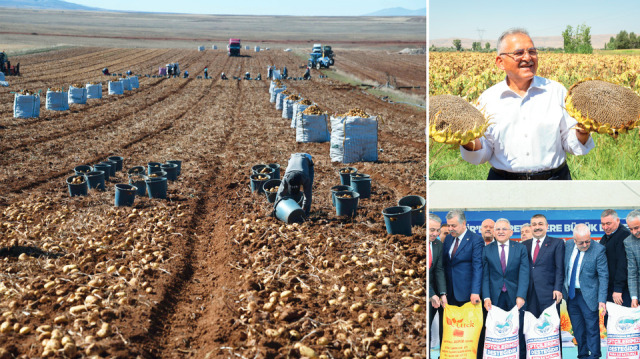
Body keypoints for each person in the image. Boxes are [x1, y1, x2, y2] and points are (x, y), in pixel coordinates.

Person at [460, 28, 594, 180]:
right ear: (500, 62)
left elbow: (571, 142)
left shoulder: (556, 91)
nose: (528, 57)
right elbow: (483, 153)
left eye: (532, 51)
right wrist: (464, 137)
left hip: (555, 181)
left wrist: (583, 130)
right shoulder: (488, 99)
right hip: (503, 183)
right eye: (519, 53)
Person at [521, 214, 564, 358]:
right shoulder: (524, 245)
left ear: (547, 226)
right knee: (530, 329)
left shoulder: (557, 243)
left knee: (551, 328)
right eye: (534, 224)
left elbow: (559, 268)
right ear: (530, 227)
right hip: (529, 294)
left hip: (549, 294)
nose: (537, 227)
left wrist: (558, 288)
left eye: (540, 224)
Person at [564, 224, 608, 359]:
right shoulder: (568, 245)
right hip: (571, 295)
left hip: (589, 296)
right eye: (581, 242)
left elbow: (603, 276)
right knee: (577, 328)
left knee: (592, 329)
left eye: (588, 241)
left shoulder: (599, 250)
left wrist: (602, 299)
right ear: (574, 239)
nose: (585, 245)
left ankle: (594, 355)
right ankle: (582, 355)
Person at [482, 217, 529, 311]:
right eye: (498, 229)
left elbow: (524, 274)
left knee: (516, 325)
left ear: (511, 232)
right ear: (494, 233)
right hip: (494, 298)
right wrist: (486, 297)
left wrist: (521, 296)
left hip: (515, 296)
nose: (501, 232)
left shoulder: (520, 248)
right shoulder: (486, 250)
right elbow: (485, 276)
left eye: (504, 229)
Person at [600, 209, 632, 308]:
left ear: (617, 220)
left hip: (620, 292)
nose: (605, 227)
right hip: (609, 289)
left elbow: (623, 264)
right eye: (603, 224)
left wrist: (618, 289)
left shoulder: (624, 235)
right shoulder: (606, 237)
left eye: (608, 223)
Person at [428, 214, 446, 353]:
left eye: (437, 230)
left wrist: (442, 293)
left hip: (432, 290)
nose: (435, 233)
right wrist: (431, 294)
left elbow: (438, 270)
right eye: (431, 229)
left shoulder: (438, 244)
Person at [624, 210, 640, 308]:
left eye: (636, 228)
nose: (634, 232)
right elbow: (632, 272)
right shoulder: (628, 242)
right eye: (631, 229)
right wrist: (634, 297)